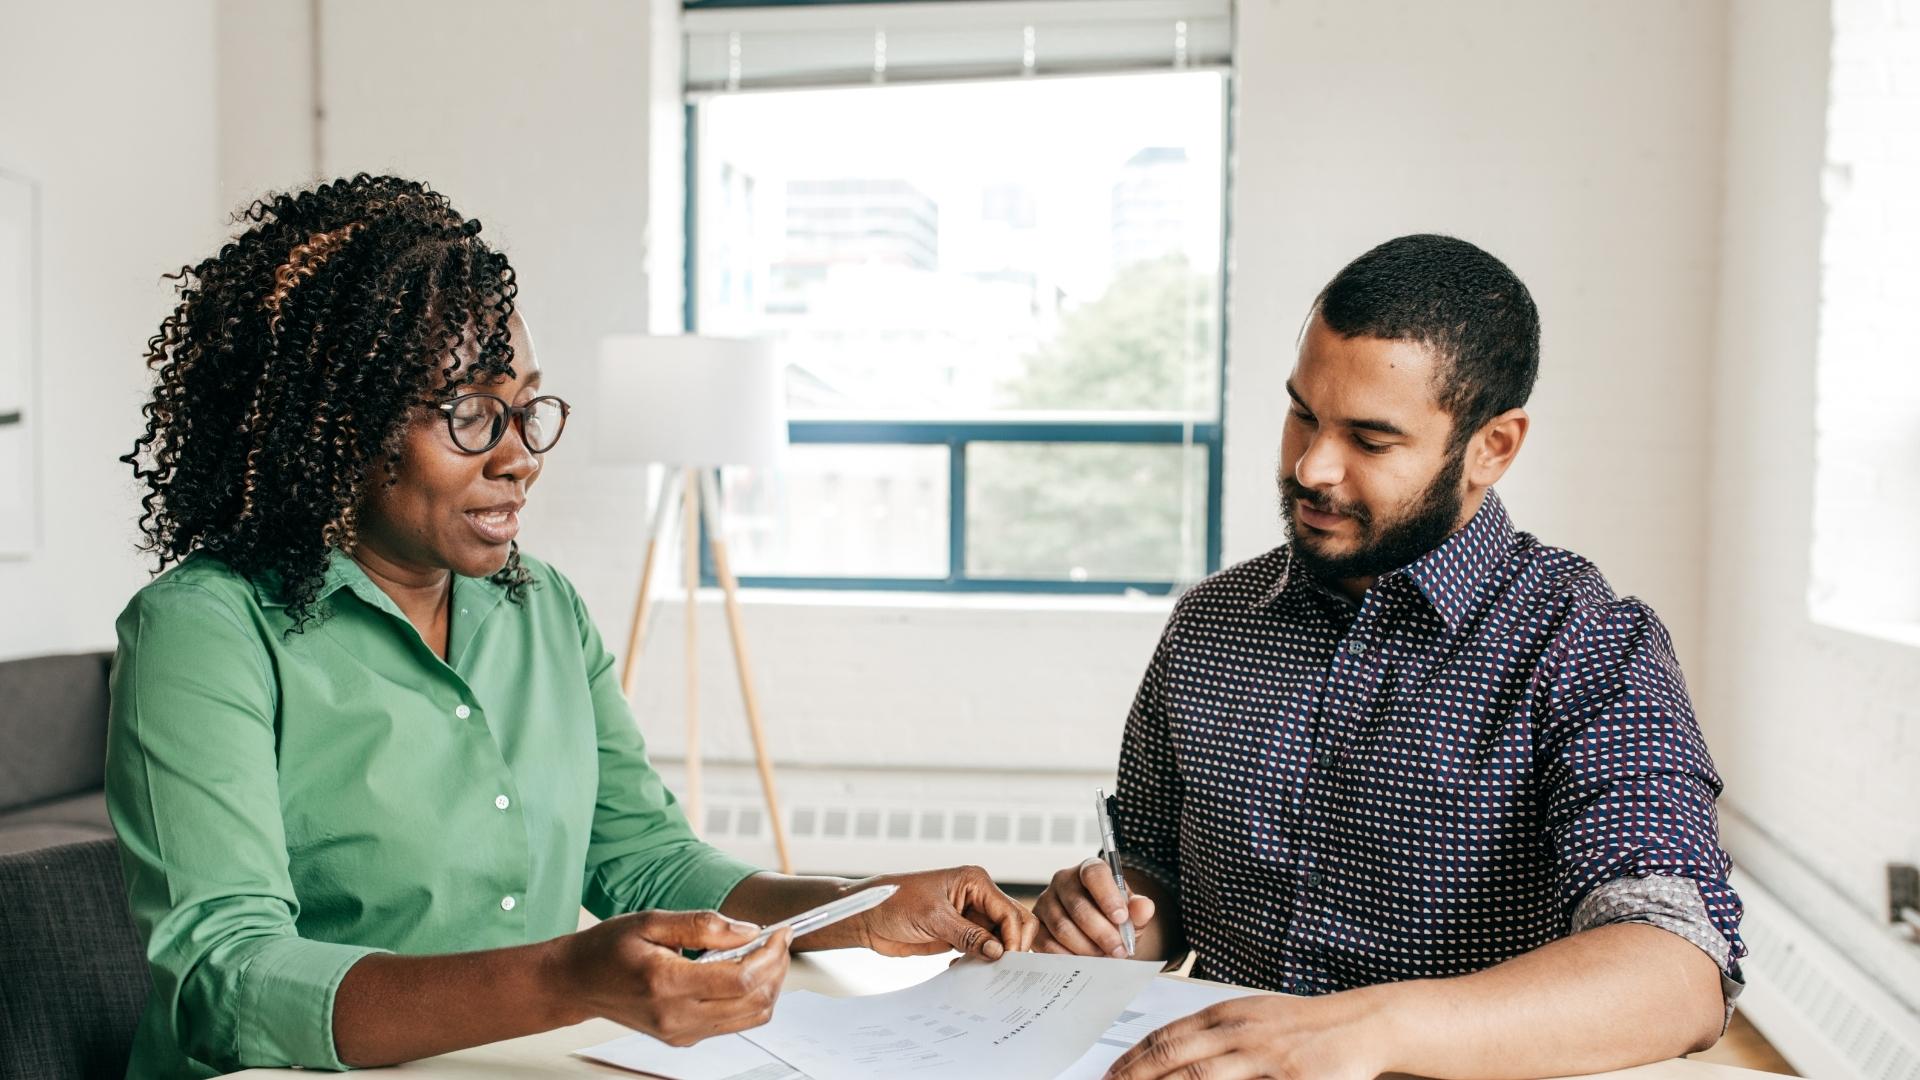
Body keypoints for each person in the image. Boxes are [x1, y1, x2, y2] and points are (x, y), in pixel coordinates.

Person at [110, 174, 1037, 1080]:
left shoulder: (538, 604)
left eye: (527, 410)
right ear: (338, 425)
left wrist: (853, 909)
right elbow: (223, 978)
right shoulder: (206, 630)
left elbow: (644, 858)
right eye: (471, 414)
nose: (519, 459)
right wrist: (564, 978)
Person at [1033, 235, 1743, 1080]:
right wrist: (1107, 918)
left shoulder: (1588, 645)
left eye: (1370, 441)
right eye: (1303, 412)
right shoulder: (1210, 624)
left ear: (1493, 446)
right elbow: (1153, 881)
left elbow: (1676, 971)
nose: (1310, 466)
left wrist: (1367, 1030)